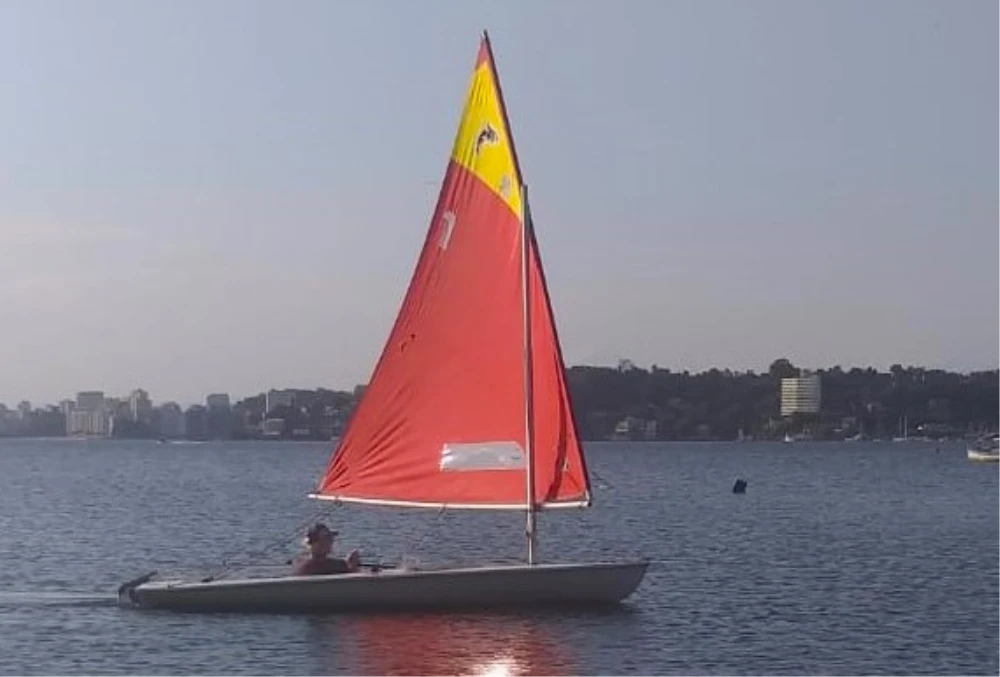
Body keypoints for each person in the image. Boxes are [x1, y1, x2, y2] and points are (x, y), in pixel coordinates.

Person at [290, 523, 361, 576]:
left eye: (331, 538)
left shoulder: (296, 562)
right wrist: (352, 566)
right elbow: (353, 583)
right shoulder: (337, 566)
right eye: (327, 538)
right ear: (314, 543)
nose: (331, 541)